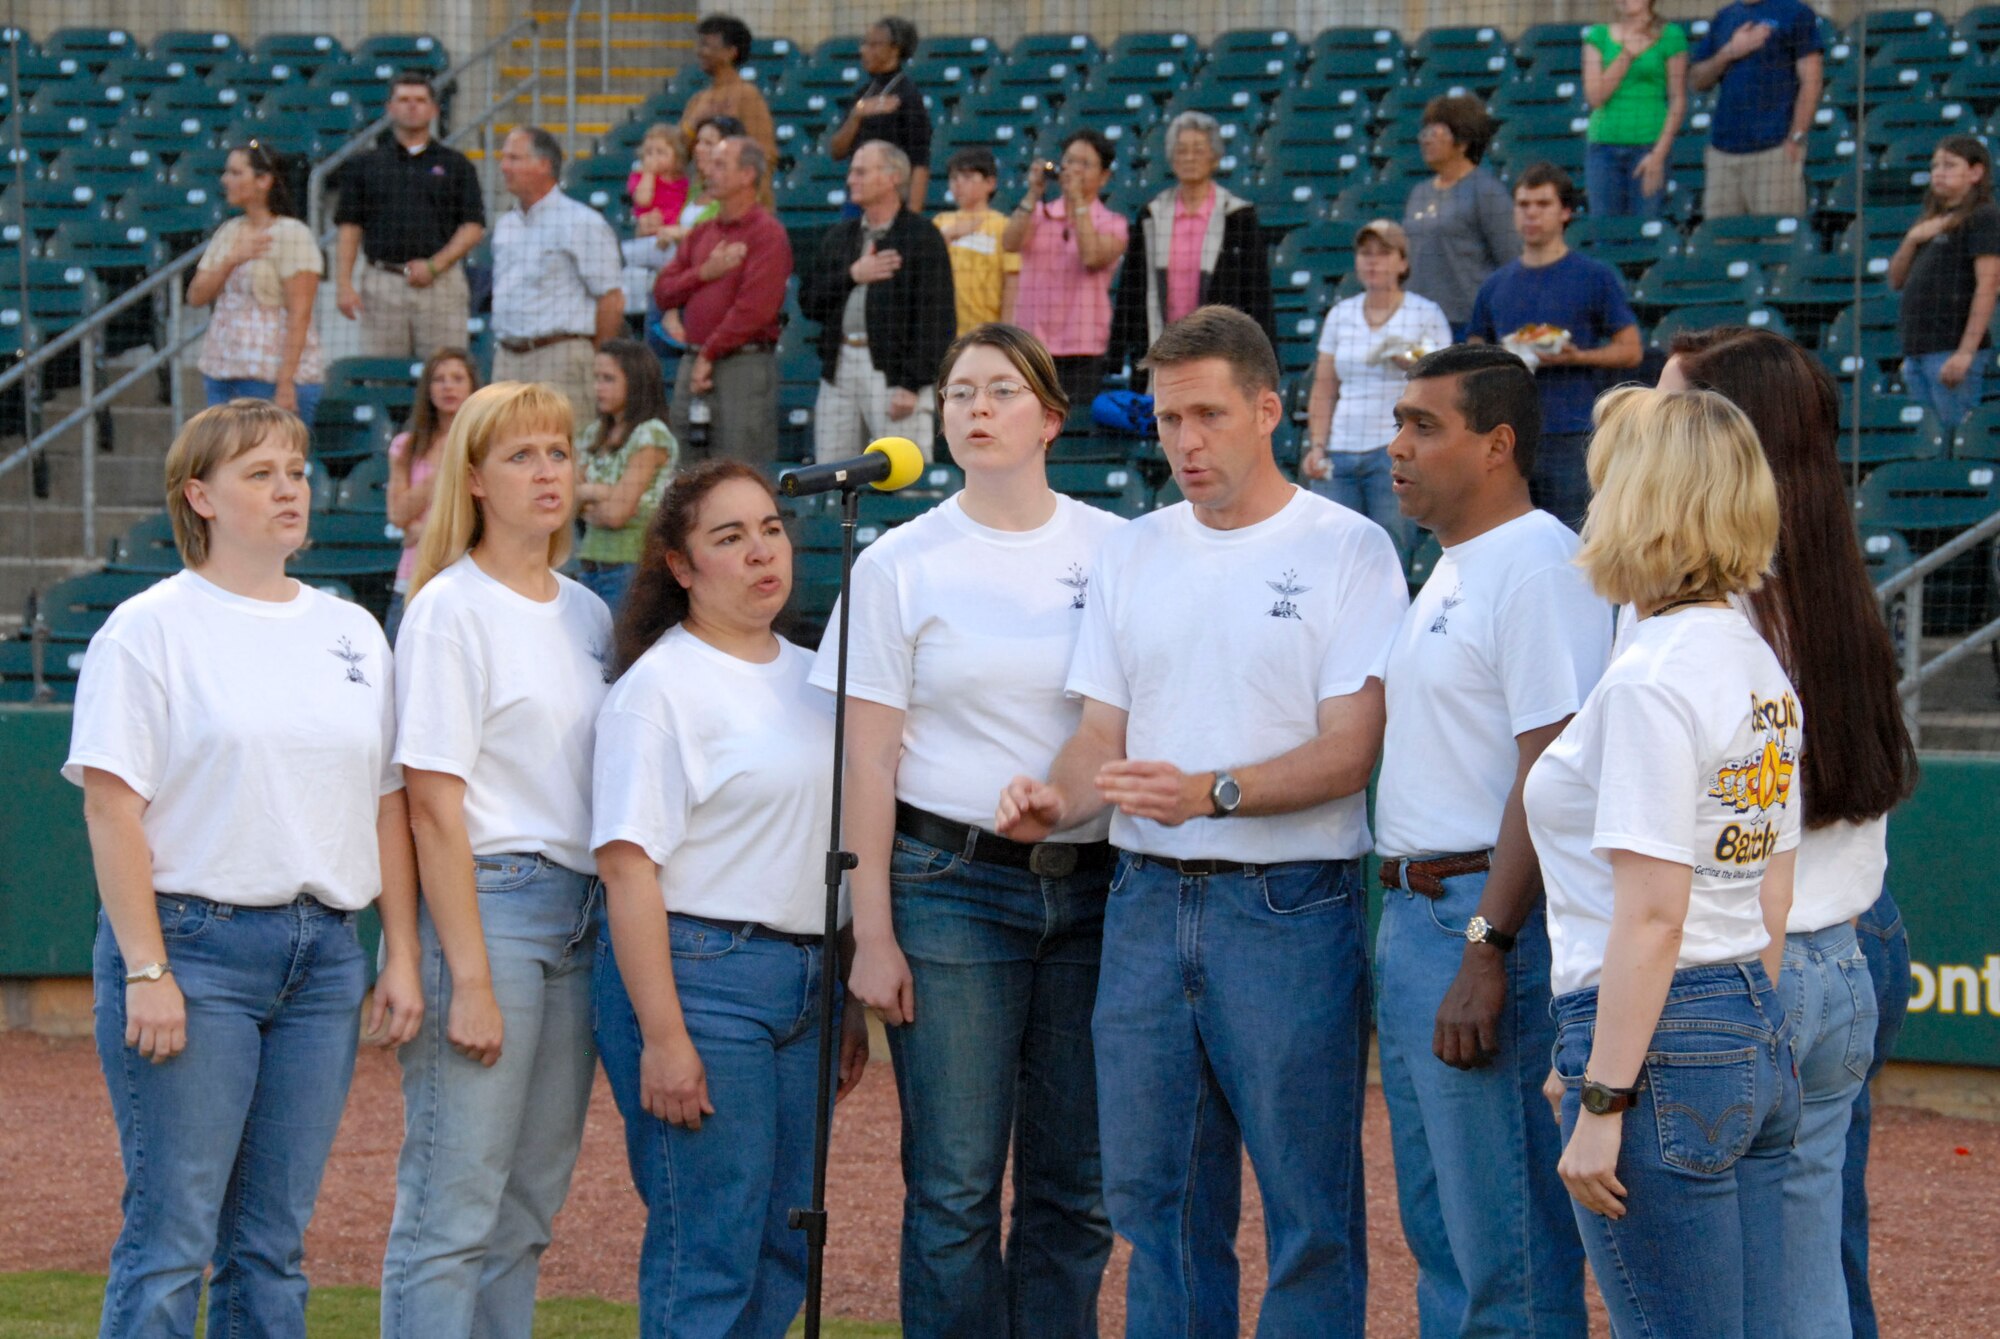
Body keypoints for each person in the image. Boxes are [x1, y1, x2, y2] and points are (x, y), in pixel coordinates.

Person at [997, 306, 1408, 1337]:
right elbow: (1101, 734)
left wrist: (1211, 791)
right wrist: (1056, 796)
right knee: (1156, 1204)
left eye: (1209, 416)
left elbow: (1349, 751)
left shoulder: (1349, 549)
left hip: (1286, 907)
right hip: (1140, 902)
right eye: (1170, 418)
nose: (1185, 441)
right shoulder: (1133, 553)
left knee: (1308, 1208)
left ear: (1268, 410)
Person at [64, 399, 423, 1338]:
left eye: (297, 471)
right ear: (201, 495)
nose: (289, 489)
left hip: (325, 954)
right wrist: (147, 969)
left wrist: (398, 951)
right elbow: (111, 807)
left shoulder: (351, 629)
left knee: (272, 1243)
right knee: (172, 1236)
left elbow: (385, 798)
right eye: (260, 473)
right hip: (193, 947)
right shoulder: (149, 629)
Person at [825, 324, 1124, 1339]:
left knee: (1073, 1187)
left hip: (1091, 890)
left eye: (1001, 390)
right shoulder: (896, 562)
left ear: (1049, 416)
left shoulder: (1114, 548)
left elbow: (1119, 718)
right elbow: (863, 759)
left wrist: (1065, 796)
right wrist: (870, 933)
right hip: (946, 887)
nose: (976, 408)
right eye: (959, 392)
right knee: (952, 1191)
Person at [1527, 385, 1802, 1339]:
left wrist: (1606, 1087)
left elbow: (1653, 913)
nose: (1592, 507)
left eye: (1606, 488)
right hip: (1743, 1024)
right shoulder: (1756, 659)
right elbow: (1772, 879)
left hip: (1668, 1036)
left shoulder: (1652, 676)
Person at [1662, 328, 1920, 1339]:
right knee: (1813, 1246)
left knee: (1750, 1270)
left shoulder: (1721, 604)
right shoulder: (1823, 563)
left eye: (1672, 411)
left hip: (1761, 955)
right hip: (1849, 942)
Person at [590, 461, 870, 1337]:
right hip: (704, 979)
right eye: (729, 536)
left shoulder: (818, 675)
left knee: (784, 1242)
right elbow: (629, 870)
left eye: (771, 529)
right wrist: (664, 1039)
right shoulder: (657, 692)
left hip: (811, 979)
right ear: (680, 565)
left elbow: (836, 845)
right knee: (708, 1243)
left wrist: (847, 993)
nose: (760, 552)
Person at [1374, 344, 1604, 1336]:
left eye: (1424, 426)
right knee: (1447, 1238)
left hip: (1478, 918)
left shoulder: (1538, 563)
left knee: (1503, 1245)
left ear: (1498, 443)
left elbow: (1549, 772)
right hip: (1416, 914)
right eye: (1397, 422)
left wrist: (1488, 947)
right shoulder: (1458, 562)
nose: (1396, 446)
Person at [379, 381, 614, 1339]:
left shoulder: (589, 613)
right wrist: (467, 976)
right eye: (522, 455)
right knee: (452, 1209)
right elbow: (431, 807)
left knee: (524, 1213)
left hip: (582, 915)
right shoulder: (448, 611)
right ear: (473, 479)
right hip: (493, 910)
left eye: (558, 451)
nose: (548, 470)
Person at [1467, 163, 1642, 532]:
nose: (1531, 213)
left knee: (1573, 539)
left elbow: (1630, 349)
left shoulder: (1593, 276)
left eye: (1542, 204)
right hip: (1508, 435)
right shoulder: (1495, 285)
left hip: (1571, 432)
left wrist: (1577, 356)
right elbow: (1474, 349)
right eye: (1524, 204)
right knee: (1508, 539)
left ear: (1564, 212)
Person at [1301, 220, 1452, 558]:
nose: (1372, 261)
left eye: (1383, 253)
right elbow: (1324, 387)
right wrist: (1317, 446)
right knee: (1329, 556)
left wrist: (1411, 365)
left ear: (1403, 262)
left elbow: (1446, 388)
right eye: (1365, 253)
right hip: (1339, 454)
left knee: (1389, 556)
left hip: (1395, 454)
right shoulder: (1341, 314)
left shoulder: (1426, 313)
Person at [802, 141, 955, 463]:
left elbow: (936, 320)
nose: (850, 180)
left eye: (860, 172)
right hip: (839, 371)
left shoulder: (922, 237)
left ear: (891, 178)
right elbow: (809, 302)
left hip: (894, 378)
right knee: (830, 474)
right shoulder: (840, 237)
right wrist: (852, 275)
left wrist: (913, 384)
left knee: (906, 476)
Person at [653, 135, 791, 466]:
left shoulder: (766, 234)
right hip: (694, 360)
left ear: (747, 175)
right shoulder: (702, 233)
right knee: (685, 468)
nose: (708, 172)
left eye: (720, 165)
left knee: (738, 467)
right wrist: (705, 272)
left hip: (740, 365)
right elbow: (663, 291)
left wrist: (710, 353)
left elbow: (755, 309)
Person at [333, 72, 487, 359]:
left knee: (447, 373)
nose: (412, 106)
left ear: (433, 109)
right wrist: (343, 283)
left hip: (442, 285)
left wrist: (434, 266)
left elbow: (473, 227)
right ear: (390, 108)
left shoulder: (457, 165)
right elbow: (350, 227)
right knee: (383, 377)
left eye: (420, 100)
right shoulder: (364, 165)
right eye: (403, 99)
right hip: (382, 285)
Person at [1111, 110, 1274, 377]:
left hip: (1223, 352)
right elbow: (1131, 288)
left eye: (1198, 149)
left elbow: (1257, 293)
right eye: (1182, 150)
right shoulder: (1151, 215)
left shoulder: (1238, 216)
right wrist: (1117, 355)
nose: (1189, 157)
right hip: (1161, 350)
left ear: (1215, 157)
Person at [491, 127, 626, 428]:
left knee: (563, 450)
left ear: (543, 165)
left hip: (560, 357)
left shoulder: (582, 222)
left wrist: (596, 359)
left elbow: (612, 299)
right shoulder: (505, 225)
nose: (504, 166)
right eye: (504, 158)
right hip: (507, 359)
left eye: (514, 158)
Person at [188, 142, 325, 420]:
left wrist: (286, 384)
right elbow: (196, 296)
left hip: (270, 377)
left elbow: (300, 313)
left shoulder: (292, 234)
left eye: (236, 173)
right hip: (222, 372)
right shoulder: (229, 231)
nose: (226, 180)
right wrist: (231, 259)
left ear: (264, 181)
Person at [1004, 129, 1129, 407]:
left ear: (1104, 176)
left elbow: (1092, 256)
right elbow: (1009, 242)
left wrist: (1079, 204)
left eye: (1085, 164)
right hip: (1031, 345)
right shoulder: (1038, 213)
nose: (1073, 169)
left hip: (1082, 348)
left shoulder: (1113, 222)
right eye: (1069, 161)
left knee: (1073, 428)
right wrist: (1032, 193)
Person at [1890, 135, 2000, 430]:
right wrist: (1912, 239)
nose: (1938, 172)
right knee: (1926, 440)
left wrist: (1965, 353)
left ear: (1976, 172)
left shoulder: (1984, 216)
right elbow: (1896, 279)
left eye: (1950, 165)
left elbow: (1988, 285)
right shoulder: (1929, 220)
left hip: (1950, 350)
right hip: (1916, 351)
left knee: (1954, 438)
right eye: (1935, 165)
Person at [1689, 0, 1823, 219]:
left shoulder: (1795, 12)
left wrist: (1796, 137)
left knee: (1777, 245)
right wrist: (1730, 51)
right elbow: (1696, 80)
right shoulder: (1725, 16)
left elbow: (1812, 81)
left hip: (1774, 151)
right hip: (1723, 153)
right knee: (1722, 246)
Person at [1404, 95, 1520, 343]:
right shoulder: (1420, 192)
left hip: (1466, 324)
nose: (1426, 139)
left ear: (1463, 140)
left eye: (1436, 131)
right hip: (1419, 324)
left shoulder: (1486, 191)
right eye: (1425, 131)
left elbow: (1511, 259)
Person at [576, 338, 679, 611]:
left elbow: (616, 514)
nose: (598, 387)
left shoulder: (652, 434)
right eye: (596, 378)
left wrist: (590, 492)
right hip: (588, 570)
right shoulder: (592, 433)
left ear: (636, 382)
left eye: (608, 379)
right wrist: (606, 494)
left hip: (628, 571)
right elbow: (569, 501)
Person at [385, 348, 480, 643]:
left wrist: (422, 530)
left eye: (456, 378)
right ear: (427, 389)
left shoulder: (484, 445)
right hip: (413, 575)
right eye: (439, 379)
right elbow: (398, 514)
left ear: (472, 386)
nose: (448, 386)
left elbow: (479, 517)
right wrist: (444, 470)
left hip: (468, 573)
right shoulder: (406, 445)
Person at [1583, 0, 1689, 219]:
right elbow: (1595, 97)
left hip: (1648, 149)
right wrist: (1627, 55)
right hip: (1603, 150)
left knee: (1645, 234)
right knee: (1606, 236)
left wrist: (1658, 156)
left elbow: (1678, 100)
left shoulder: (1670, 35)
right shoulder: (1598, 35)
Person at [829, 16, 931, 210]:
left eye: (874, 45)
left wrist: (913, 216)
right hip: (857, 199)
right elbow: (837, 150)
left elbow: (920, 162)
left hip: (891, 200)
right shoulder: (863, 94)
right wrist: (856, 116)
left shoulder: (908, 96)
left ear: (895, 49)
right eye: (864, 44)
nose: (863, 50)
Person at [935, 147, 1020, 335]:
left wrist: (1006, 332)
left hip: (985, 331)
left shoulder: (1003, 226)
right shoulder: (940, 222)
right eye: (954, 178)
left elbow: (1011, 282)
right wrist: (947, 236)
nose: (958, 184)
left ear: (990, 183)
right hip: (942, 331)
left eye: (967, 178)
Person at [678, 14, 778, 169]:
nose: (699, 52)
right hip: (704, 191)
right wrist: (694, 122)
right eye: (700, 45)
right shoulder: (698, 99)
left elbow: (765, 154)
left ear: (731, 52)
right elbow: (678, 156)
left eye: (706, 45)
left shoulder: (748, 95)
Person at [620, 125, 693, 315]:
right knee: (624, 265)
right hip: (646, 239)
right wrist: (649, 174)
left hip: (670, 241)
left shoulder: (683, 183)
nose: (653, 157)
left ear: (676, 157)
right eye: (649, 152)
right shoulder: (639, 178)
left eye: (661, 152)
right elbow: (643, 199)